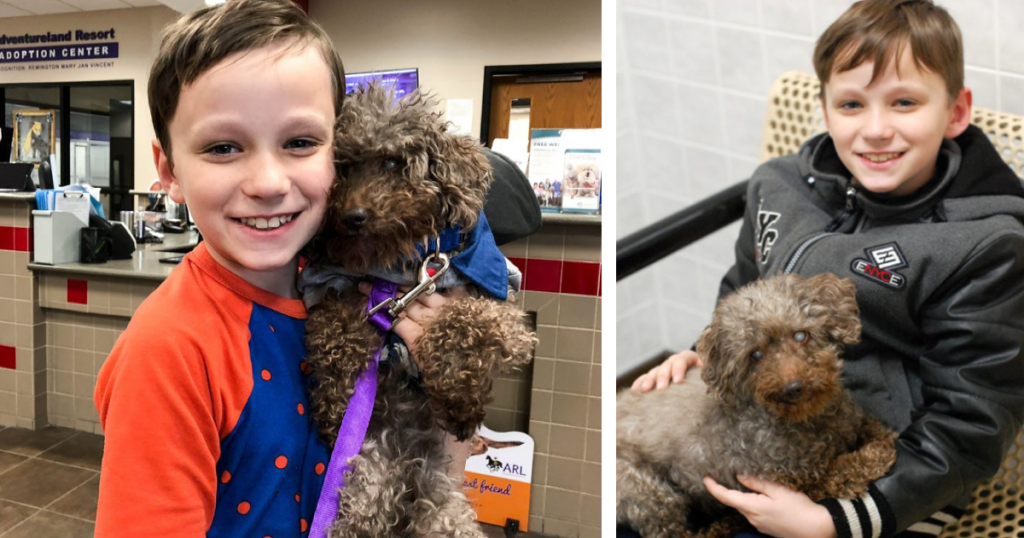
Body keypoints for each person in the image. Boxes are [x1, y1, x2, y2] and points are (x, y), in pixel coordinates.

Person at [93, 1, 538, 536]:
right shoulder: (169, 351)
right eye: (222, 147)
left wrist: (441, 376)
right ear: (169, 171)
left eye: (300, 143)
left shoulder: (353, 284)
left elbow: (443, 464)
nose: (268, 182)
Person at [620, 1, 1024, 537]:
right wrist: (701, 354)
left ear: (955, 110)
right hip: (758, 438)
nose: (876, 130)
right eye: (852, 104)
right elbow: (738, 294)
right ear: (826, 110)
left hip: (888, 481)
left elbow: (973, 425)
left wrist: (832, 522)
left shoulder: (987, 243)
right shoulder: (777, 186)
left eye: (904, 102)